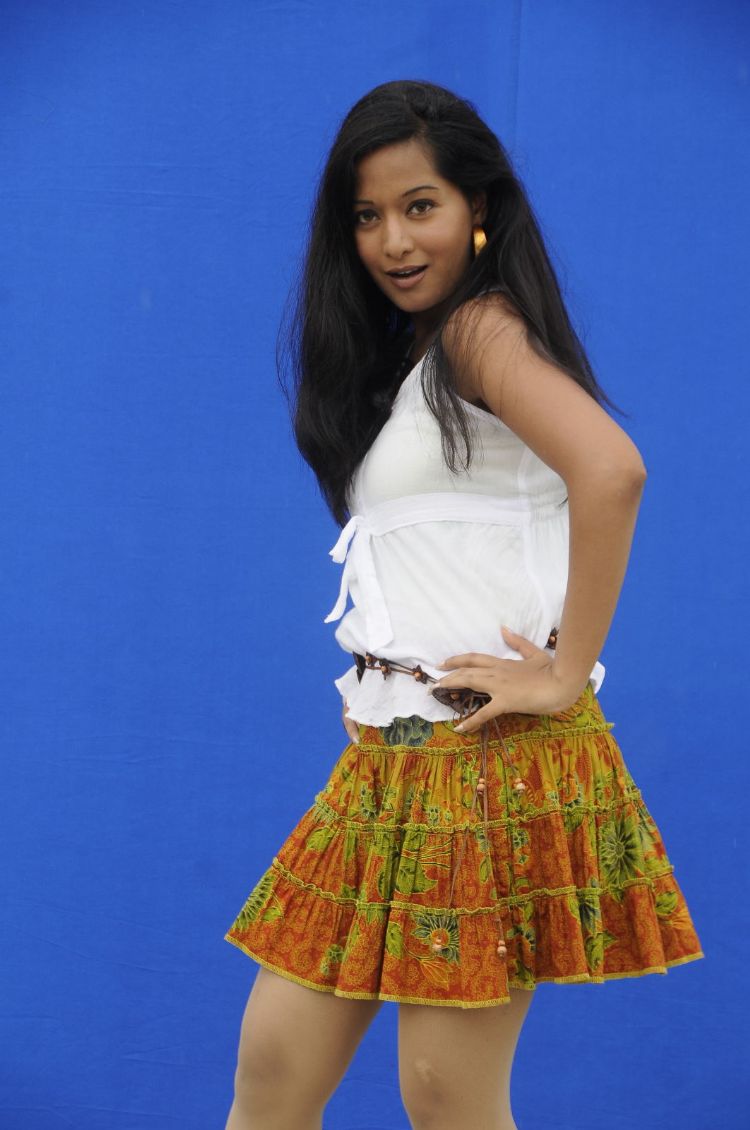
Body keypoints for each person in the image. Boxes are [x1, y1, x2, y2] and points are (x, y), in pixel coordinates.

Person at [223, 80, 704, 1130]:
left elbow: (612, 470)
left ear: (477, 207)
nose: (393, 241)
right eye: (367, 215)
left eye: (420, 206)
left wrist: (565, 672)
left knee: (446, 1100)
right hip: (389, 758)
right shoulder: (415, 356)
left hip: (483, 763)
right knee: (273, 1071)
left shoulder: (480, 331)